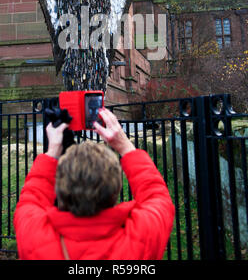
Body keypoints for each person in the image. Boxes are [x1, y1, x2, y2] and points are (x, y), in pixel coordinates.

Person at [13, 108, 175, 260]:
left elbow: (32, 197)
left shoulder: (34, 236)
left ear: (60, 188)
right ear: (116, 188)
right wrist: (124, 145)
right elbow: (156, 195)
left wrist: (53, 151)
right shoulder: (143, 235)